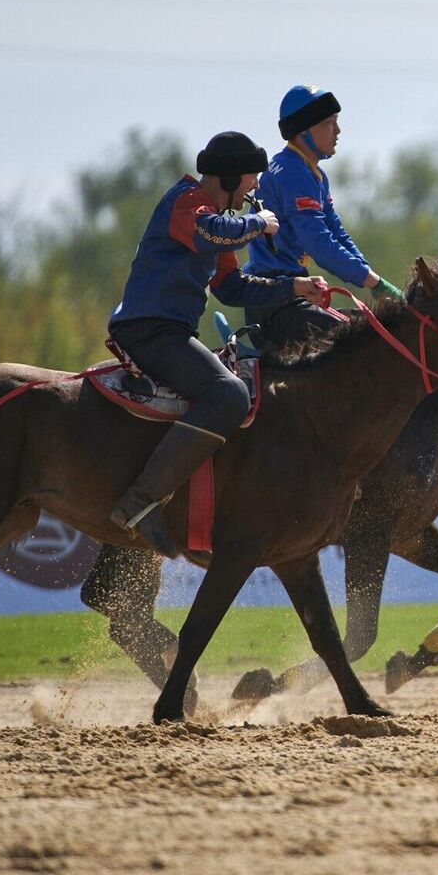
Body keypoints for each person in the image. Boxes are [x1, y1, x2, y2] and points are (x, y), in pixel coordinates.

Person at [106, 131, 331, 556]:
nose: (254, 189)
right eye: (250, 179)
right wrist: (260, 224)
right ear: (228, 177)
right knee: (229, 395)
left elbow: (231, 286)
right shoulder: (189, 202)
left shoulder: (218, 221)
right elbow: (212, 233)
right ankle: (140, 502)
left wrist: (293, 288)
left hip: (167, 332)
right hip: (149, 331)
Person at [244, 83, 402, 353]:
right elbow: (319, 243)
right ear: (304, 131)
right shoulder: (293, 174)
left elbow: (337, 233)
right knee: (369, 344)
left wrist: (372, 279)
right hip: (276, 306)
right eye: (330, 123)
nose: (338, 131)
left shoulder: (311, 173)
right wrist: (374, 283)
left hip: (290, 296)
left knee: (374, 331)